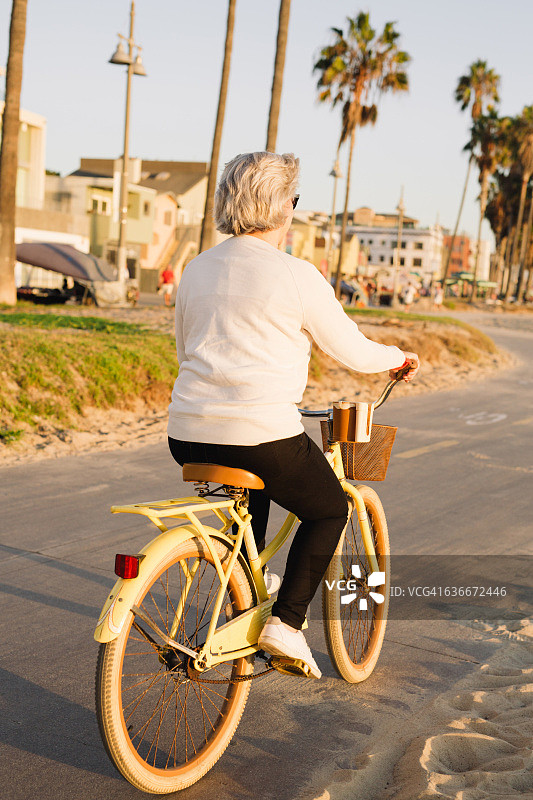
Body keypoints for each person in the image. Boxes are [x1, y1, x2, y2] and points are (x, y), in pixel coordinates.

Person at [167, 151, 419, 678]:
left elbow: (185, 348)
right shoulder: (295, 274)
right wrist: (398, 359)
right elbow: (351, 349)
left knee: (253, 494)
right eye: (295, 200)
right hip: (260, 434)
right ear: (282, 205)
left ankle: (244, 597)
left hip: (187, 432)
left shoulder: (195, 269)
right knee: (329, 508)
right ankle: (286, 622)